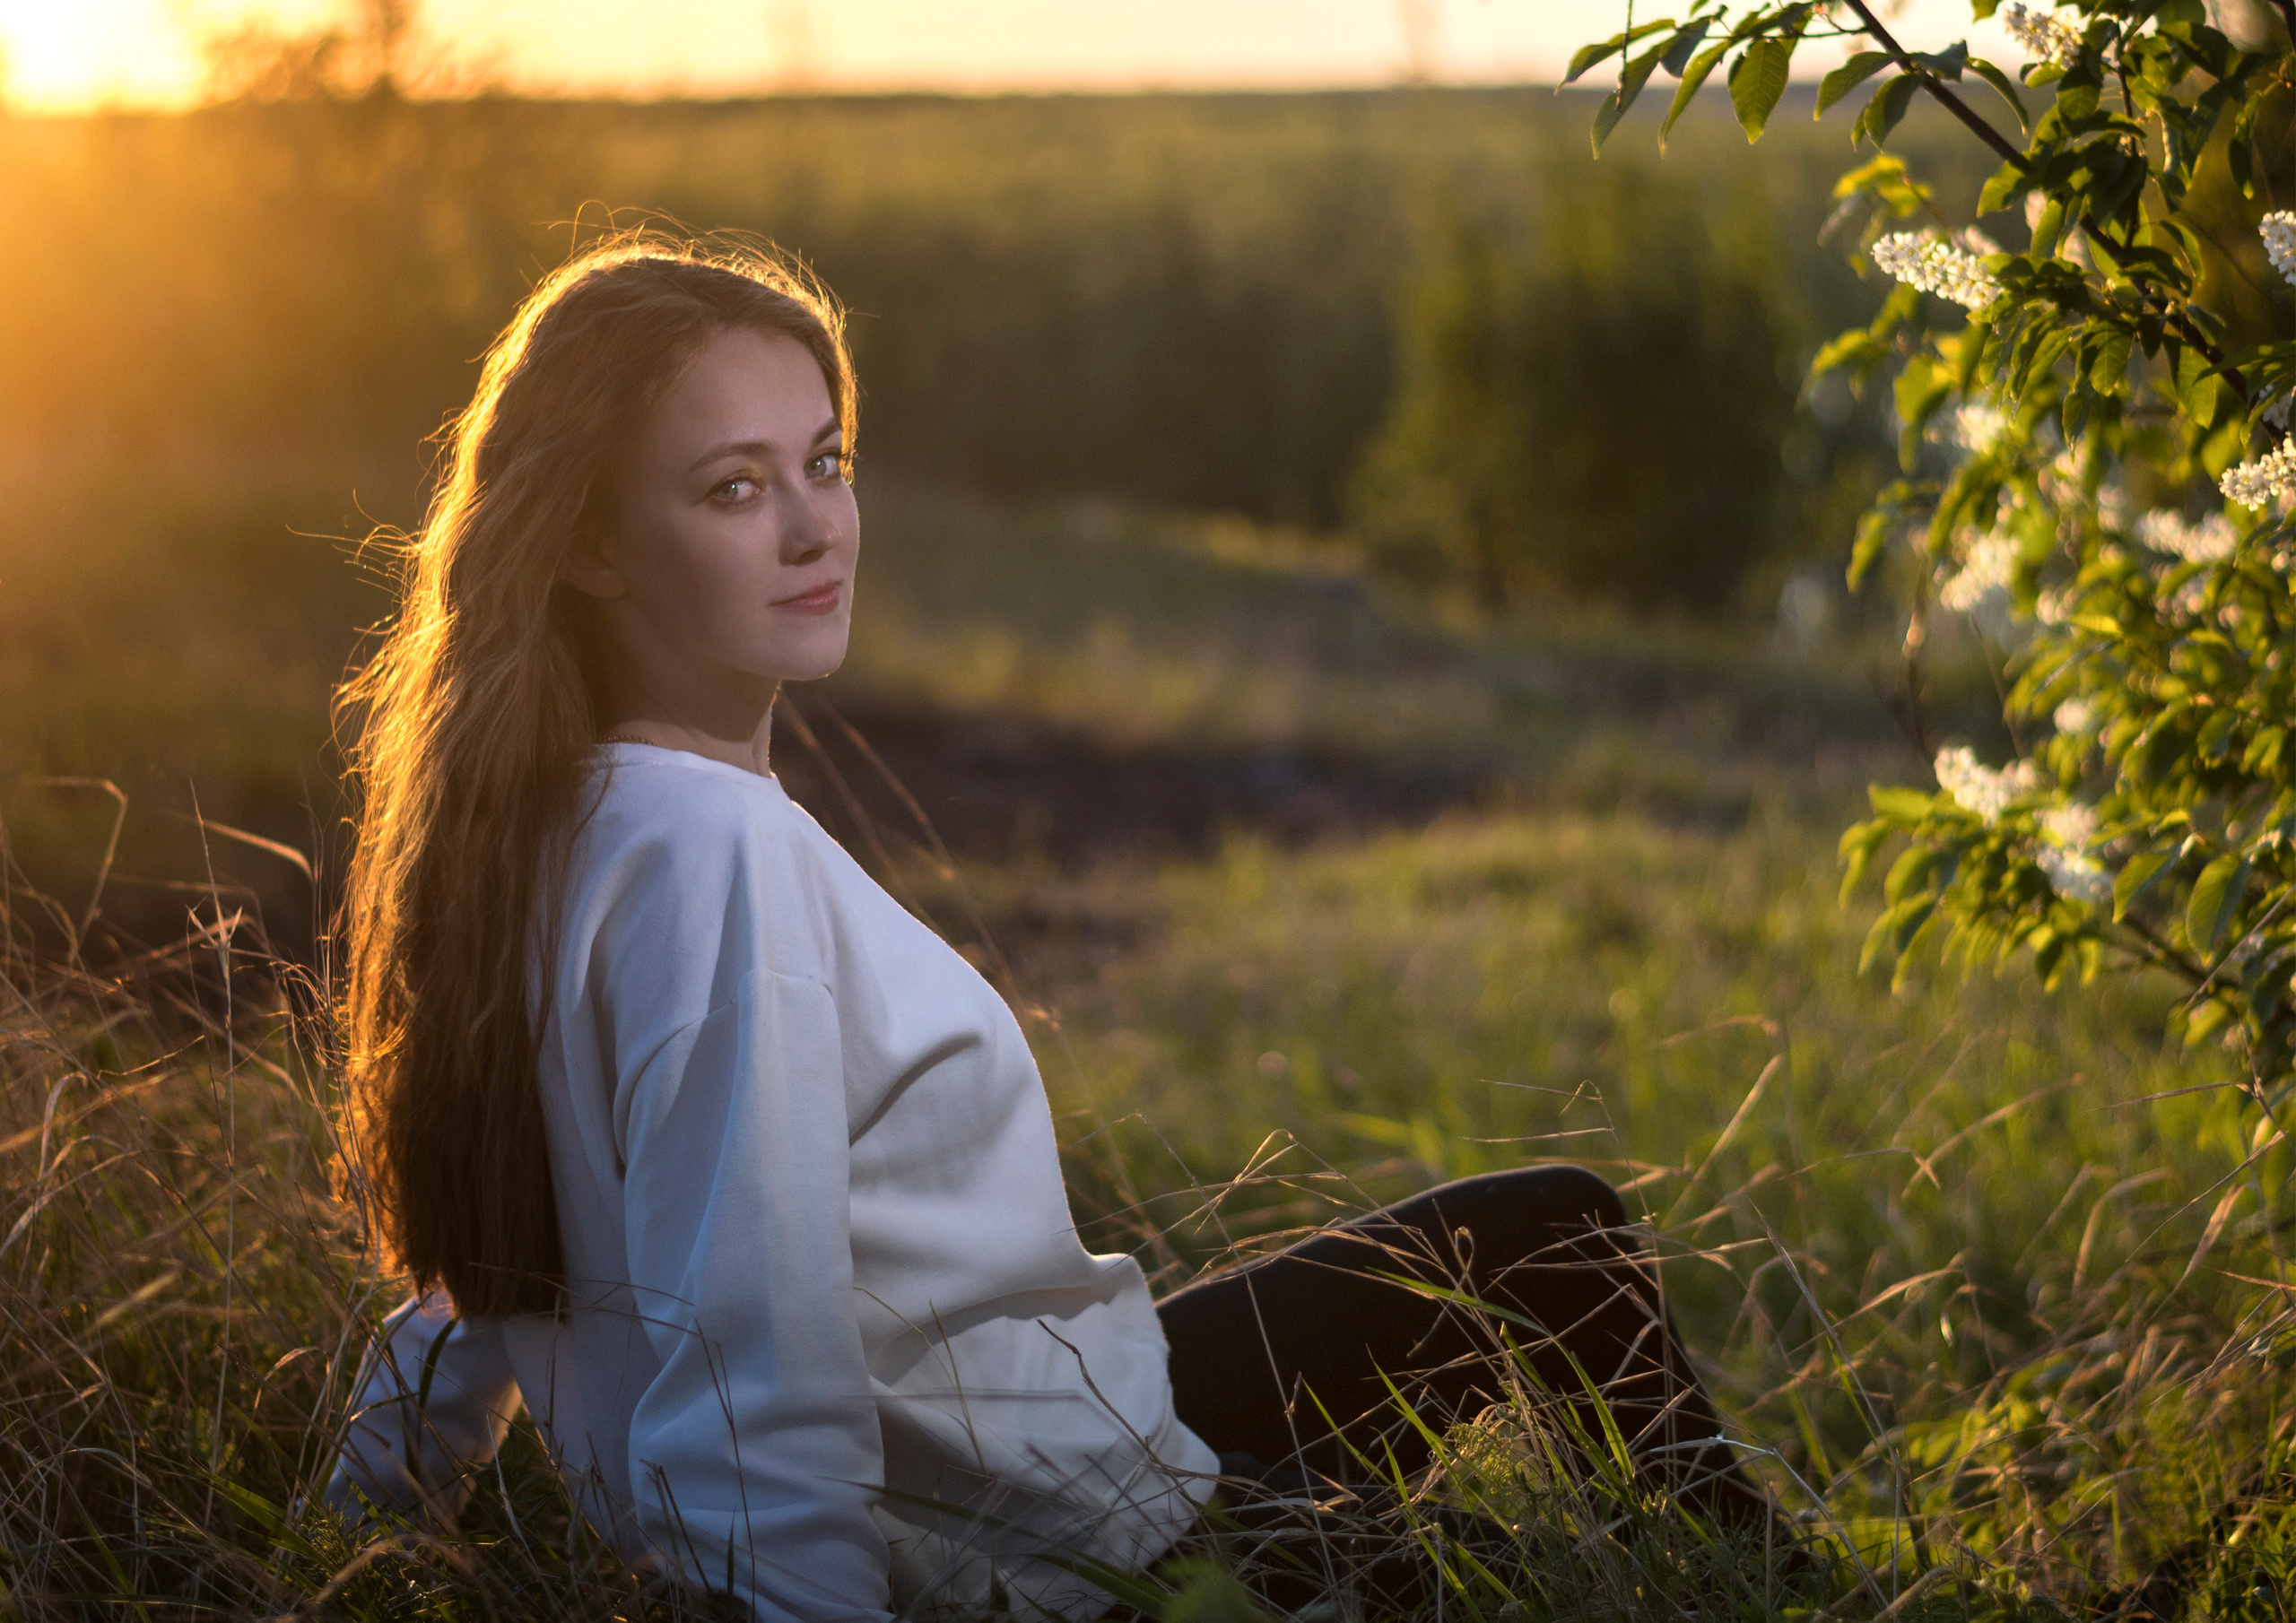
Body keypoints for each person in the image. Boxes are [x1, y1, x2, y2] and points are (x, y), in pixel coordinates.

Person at [326, 231, 1765, 1621]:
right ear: (591, 546)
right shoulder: (712, 851)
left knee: (1552, 1236)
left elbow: (484, 1258)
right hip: (1065, 1554)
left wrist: (352, 1535)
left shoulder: (540, 825)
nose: (818, 524)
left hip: (1046, 1445)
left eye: (826, 462)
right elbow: (758, 1362)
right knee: (1501, 1570)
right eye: (732, 488)